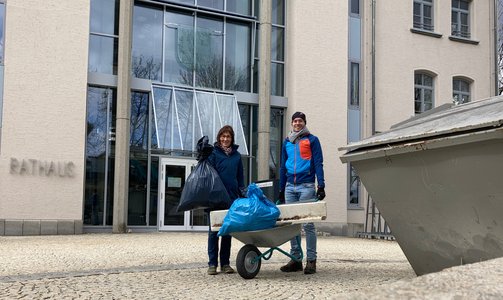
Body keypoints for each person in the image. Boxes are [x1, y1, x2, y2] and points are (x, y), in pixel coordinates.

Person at [278, 111, 326, 275]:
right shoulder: (287, 142)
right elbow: (283, 166)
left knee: (307, 224)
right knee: (292, 224)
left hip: (306, 186)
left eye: (300, 121)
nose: (297, 123)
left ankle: (311, 260)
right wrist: (281, 188)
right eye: (295, 121)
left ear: (304, 123)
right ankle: (296, 260)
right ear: (291, 123)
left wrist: (321, 185)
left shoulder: (312, 140)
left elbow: (318, 163)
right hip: (290, 187)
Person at [205, 125, 245, 275]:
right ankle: (212, 264)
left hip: (231, 198)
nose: (225, 139)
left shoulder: (236, 156)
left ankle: (226, 264)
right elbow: (208, 174)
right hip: (215, 198)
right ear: (219, 137)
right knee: (213, 231)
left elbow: (240, 177)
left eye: (228, 137)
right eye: (223, 136)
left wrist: (242, 192)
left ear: (232, 138)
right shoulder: (213, 153)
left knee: (227, 231)